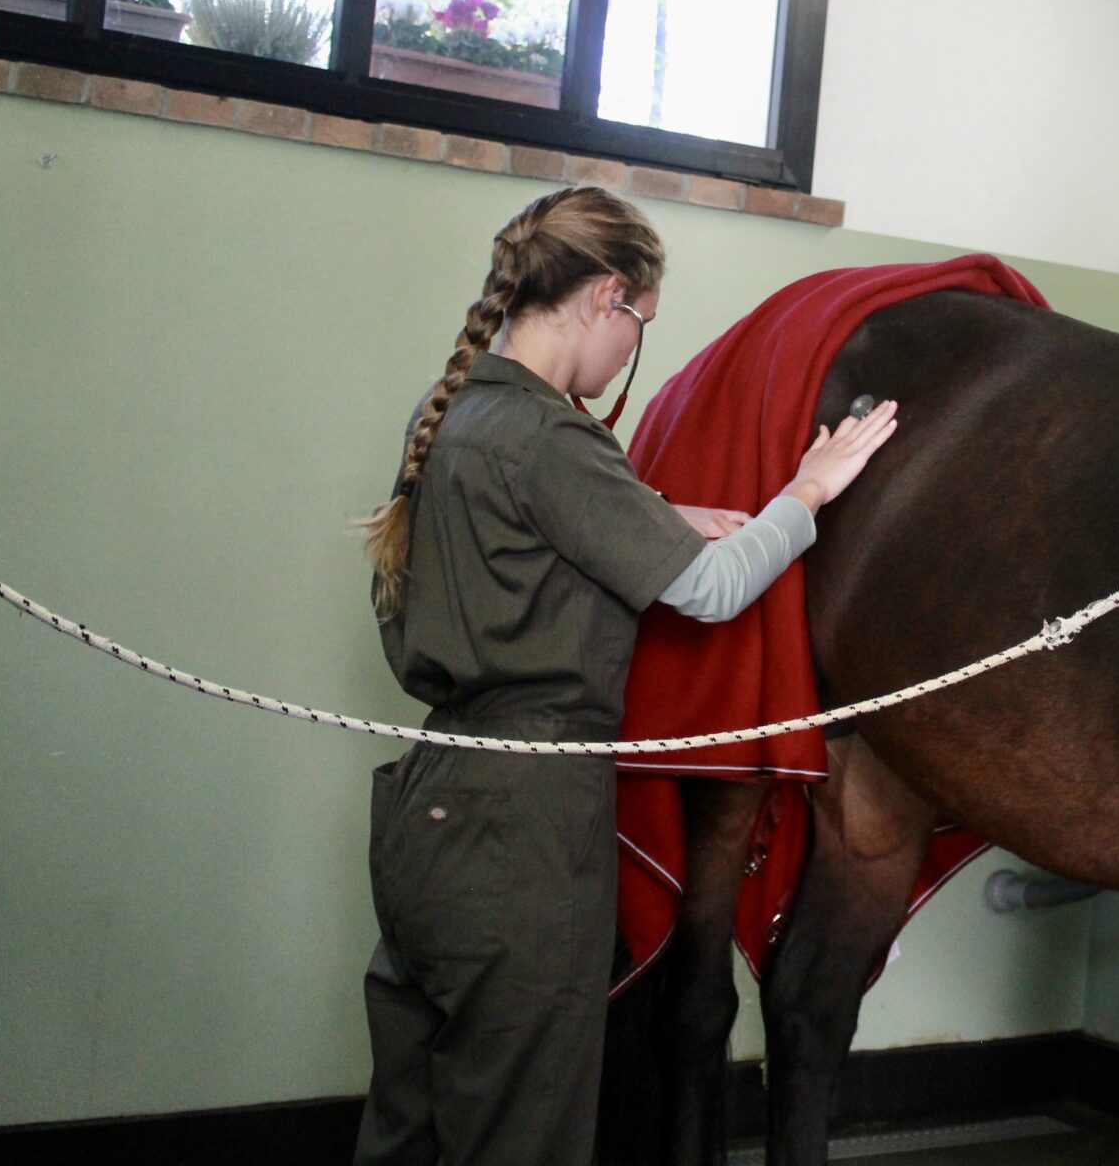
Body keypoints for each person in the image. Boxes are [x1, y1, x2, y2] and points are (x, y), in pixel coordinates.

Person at [349, 185, 897, 1165]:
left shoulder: (456, 412)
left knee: (413, 1122)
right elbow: (715, 591)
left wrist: (659, 518)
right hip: (525, 825)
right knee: (519, 1130)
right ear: (608, 296)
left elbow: (526, 532)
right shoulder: (552, 438)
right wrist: (808, 491)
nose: (629, 350)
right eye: (640, 323)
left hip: (429, 808)